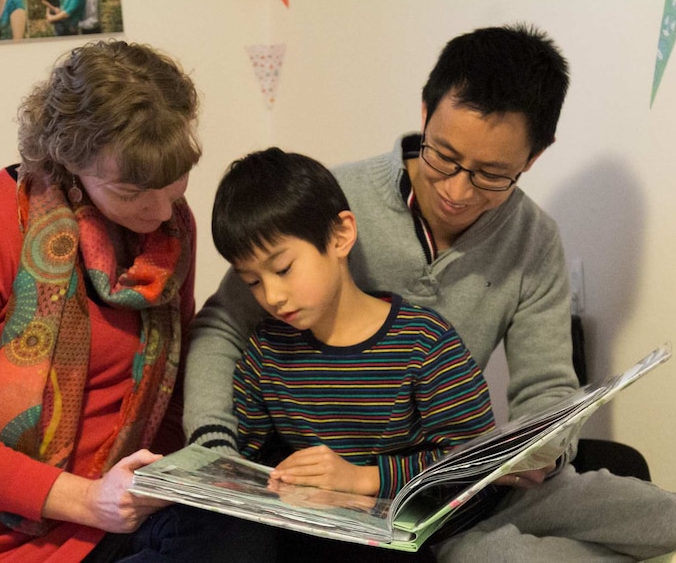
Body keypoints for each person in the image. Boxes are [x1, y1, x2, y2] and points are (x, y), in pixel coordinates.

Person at [185, 24, 676, 562]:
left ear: (534, 158)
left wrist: (540, 453)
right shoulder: (331, 206)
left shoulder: (533, 241)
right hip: (390, 504)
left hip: (473, 476)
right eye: (444, 156)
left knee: (637, 505)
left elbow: (547, 386)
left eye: (491, 175)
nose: (457, 191)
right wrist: (213, 449)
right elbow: (224, 325)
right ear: (424, 113)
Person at [0, 40, 273, 563]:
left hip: (102, 523)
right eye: (131, 189)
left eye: (175, 180)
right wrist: (88, 500)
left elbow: (167, 398)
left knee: (244, 539)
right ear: (69, 162)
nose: (161, 206)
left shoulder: (170, 227)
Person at [211, 147, 502, 538]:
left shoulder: (424, 342)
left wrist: (364, 479)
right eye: (253, 282)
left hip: (427, 530)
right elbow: (250, 455)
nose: (272, 296)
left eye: (283, 269)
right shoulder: (267, 350)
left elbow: (478, 461)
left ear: (341, 236)